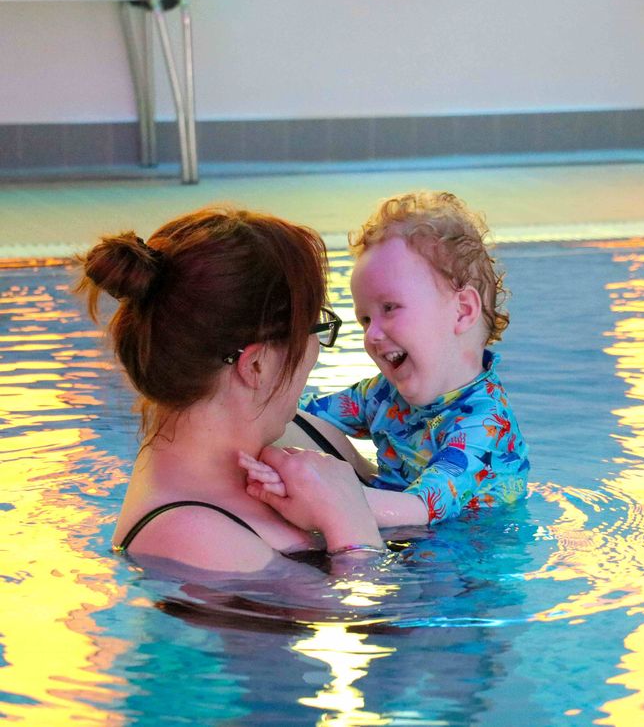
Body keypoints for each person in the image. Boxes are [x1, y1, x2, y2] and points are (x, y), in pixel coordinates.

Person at [76, 206, 385, 574]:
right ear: (256, 364)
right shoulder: (184, 537)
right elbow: (372, 620)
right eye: (314, 325)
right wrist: (351, 528)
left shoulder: (305, 431)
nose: (317, 350)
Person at [242, 191, 529, 527]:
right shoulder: (382, 394)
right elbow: (300, 415)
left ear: (462, 310)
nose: (372, 334)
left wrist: (319, 493)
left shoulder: (485, 425)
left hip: (468, 564)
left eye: (389, 308)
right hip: (409, 545)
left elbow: (421, 507)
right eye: (365, 319)